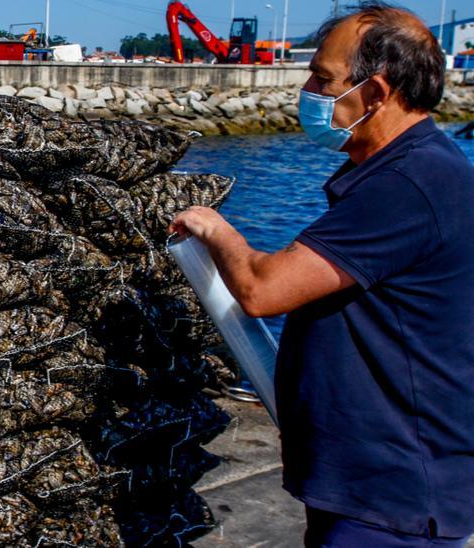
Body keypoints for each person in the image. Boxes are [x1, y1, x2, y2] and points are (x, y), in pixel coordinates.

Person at [169, 3, 474, 546]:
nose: (306, 89)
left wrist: (216, 229)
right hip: (368, 483)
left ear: (376, 93)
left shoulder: (408, 186)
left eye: (322, 78)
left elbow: (264, 290)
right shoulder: (409, 169)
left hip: (390, 498)